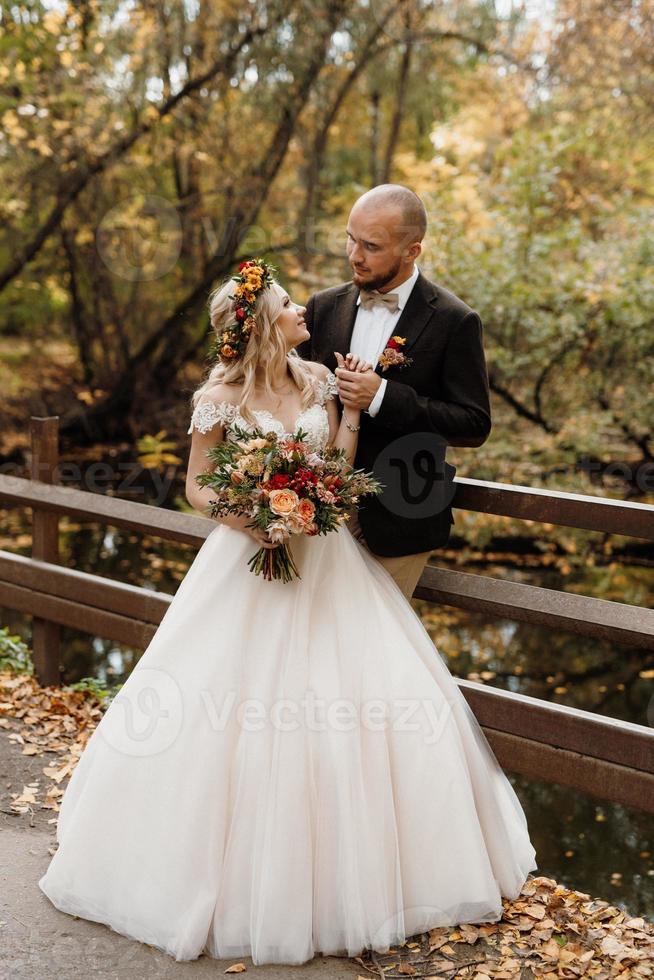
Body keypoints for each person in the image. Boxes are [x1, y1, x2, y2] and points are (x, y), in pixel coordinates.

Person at [38, 259, 537, 967]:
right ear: (263, 325)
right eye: (286, 304)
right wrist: (252, 518)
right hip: (247, 560)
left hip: (326, 556)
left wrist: (329, 475)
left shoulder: (315, 381)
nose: (303, 307)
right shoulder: (217, 396)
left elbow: (338, 457)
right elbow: (196, 488)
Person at [295, 183, 492, 600]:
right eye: (350, 238)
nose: (354, 255)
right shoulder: (322, 307)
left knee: (372, 655)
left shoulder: (455, 321)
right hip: (314, 511)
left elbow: (474, 424)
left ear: (411, 251)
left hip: (401, 520)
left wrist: (383, 396)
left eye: (371, 245)